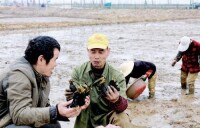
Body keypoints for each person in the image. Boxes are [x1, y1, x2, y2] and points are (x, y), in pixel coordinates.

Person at [0, 36, 90, 128]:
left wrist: (67, 109)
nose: (55, 64)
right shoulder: (19, 75)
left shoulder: (42, 75)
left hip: (14, 120)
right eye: (55, 59)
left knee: (53, 126)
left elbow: (43, 110)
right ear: (41, 59)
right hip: (7, 122)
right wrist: (55, 111)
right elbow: (19, 115)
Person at [66, 33, 132, 128]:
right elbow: (70, 103)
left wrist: (116, 100)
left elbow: (123, 106)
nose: (96, 56)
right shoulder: (78, 71)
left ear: (108, 51)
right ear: (87, 51)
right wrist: (75, 99)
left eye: (101, 51)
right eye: (93, 51)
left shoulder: (117, 75)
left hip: (107, 118)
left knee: (123, 118)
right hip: (85, 118)